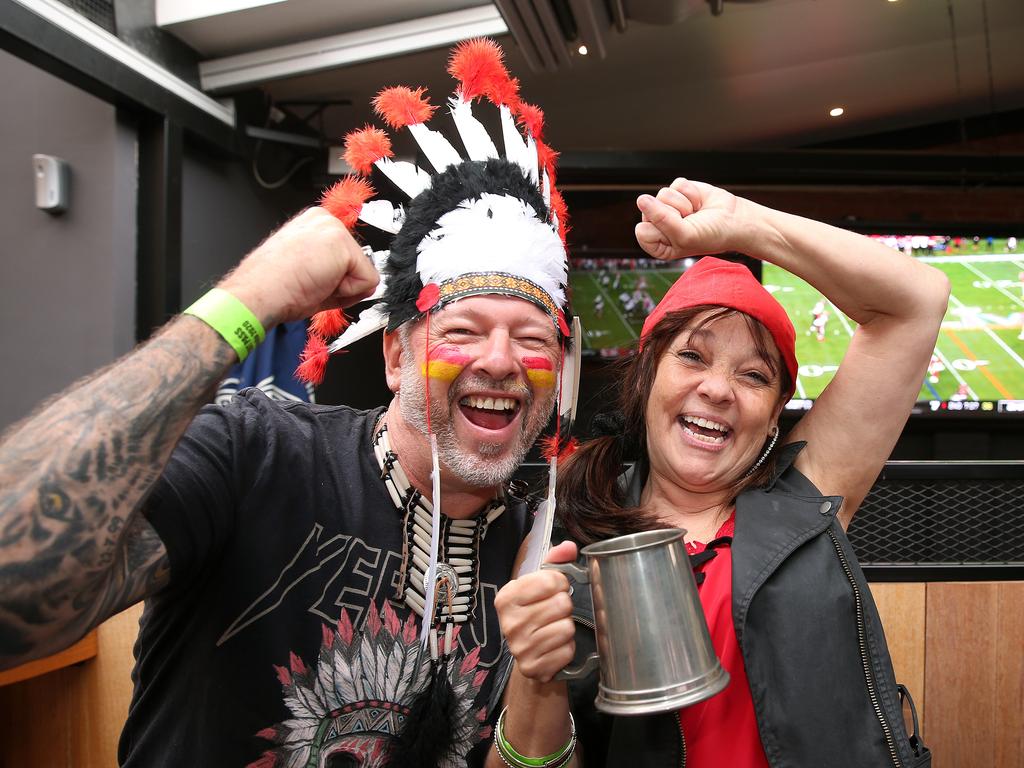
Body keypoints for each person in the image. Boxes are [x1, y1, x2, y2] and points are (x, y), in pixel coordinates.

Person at [0, 39, 578, 767]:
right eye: (462, 332)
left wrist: (538, 683)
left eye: (530, 339)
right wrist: (242, 304)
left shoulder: (534, 545)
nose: (500, 362)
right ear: (396, 357)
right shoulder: (256, 454)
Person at [489, 178, 948, 768]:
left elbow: (917, 300)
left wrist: (742, 224)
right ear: (646, 378)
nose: (716, 389)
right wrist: (535, 677)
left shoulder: (807, 493)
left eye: (753, 376)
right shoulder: (564, 533)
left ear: (775, 413)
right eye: (692, 356)